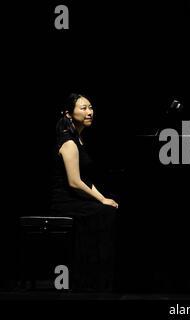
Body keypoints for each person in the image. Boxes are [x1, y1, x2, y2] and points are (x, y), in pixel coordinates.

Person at [50, 93, 118, 292]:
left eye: (90, 107)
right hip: (64, 200)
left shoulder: (78, 140)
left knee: (110, 207)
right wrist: (102, 201)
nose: (89, 112)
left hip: (75, 197)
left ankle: (100, 276)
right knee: (104, 213)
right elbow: (74, 182)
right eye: (83, 108)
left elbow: (86, 180)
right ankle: (89, 278)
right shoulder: (69, 142)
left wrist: (105, 198)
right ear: (69, 114)